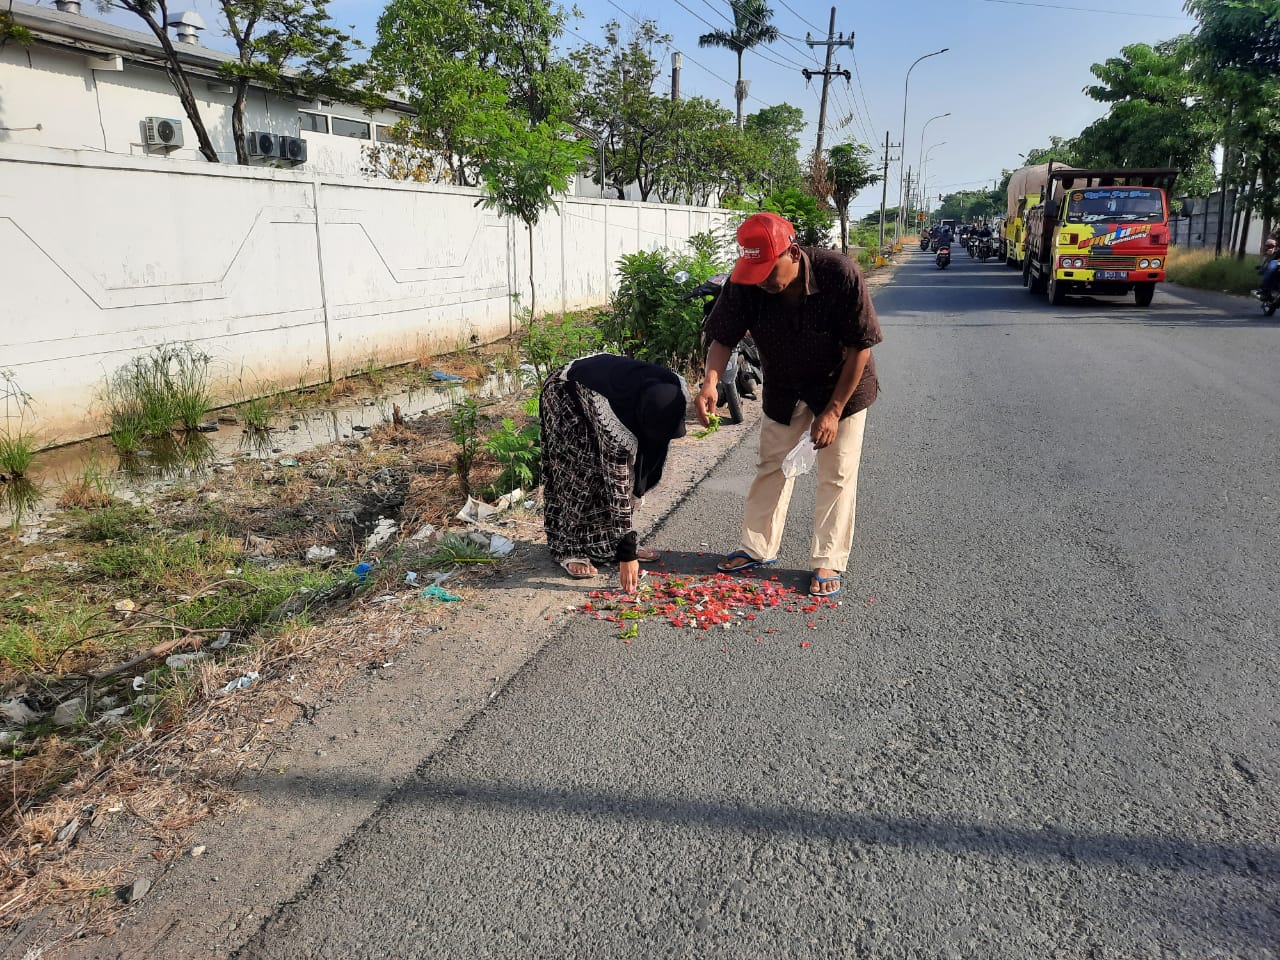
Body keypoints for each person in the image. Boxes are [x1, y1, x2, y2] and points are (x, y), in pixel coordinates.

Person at [696, 212, 883, 598]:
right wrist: (710, 382)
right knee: (772, 465)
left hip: (841, 387)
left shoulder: (839, 273)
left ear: (793, 253)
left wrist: (831, 412)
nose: (762, 281)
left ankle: (827, 558)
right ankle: (757, 547)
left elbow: (859, 346)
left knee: (837, 472)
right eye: (754, 273)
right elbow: (722, 338)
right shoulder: (746, 282)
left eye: (768, 271)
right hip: (784, 386)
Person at [541, 354, 688, 593]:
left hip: (614, 388)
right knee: (581, 474)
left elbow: (652, 451)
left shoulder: (672, 391)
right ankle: (570, 548)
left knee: (624, 467)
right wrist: (628, 553)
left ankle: (609, 544)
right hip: (566, 393)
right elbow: (617, 482)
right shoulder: (613, 417)